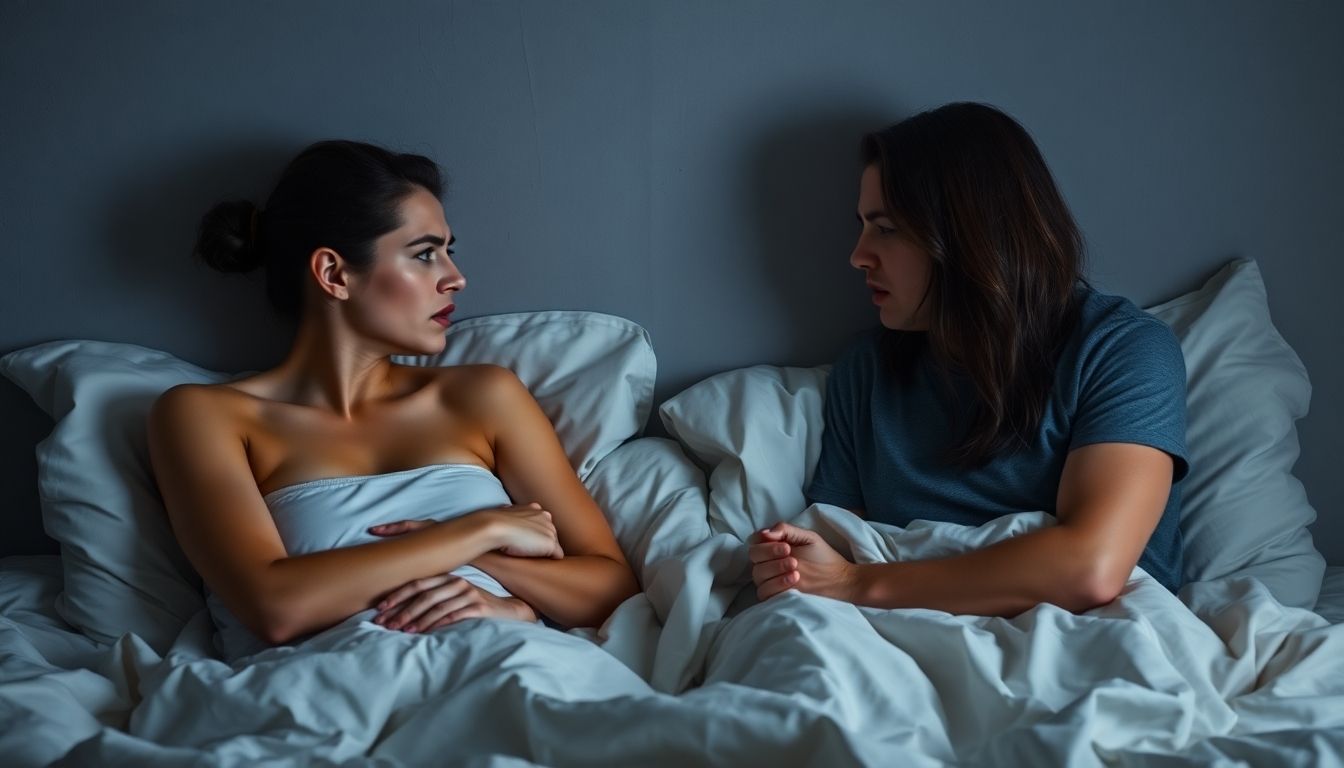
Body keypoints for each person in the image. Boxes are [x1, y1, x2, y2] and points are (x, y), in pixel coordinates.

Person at [148, 140, 638, 659]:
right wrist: (478, 530)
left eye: (449, 251)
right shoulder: (206, 416)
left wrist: (510, 598)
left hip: (507, 665)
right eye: (425, 254)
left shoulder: (482, 397)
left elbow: (611, 590)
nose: (455, 277)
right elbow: (276, 607)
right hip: (328, 685)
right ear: (334, 274)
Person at [748, 103, 1189, 617]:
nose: (858, 255)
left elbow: (1091, 568)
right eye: (862, 226)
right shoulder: (866, 373)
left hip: (1091, 636)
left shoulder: (1122, 351)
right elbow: (836, 549)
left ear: (968, 236)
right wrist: (789, 562)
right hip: (901, 636)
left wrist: (853, 582)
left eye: (885, 229)